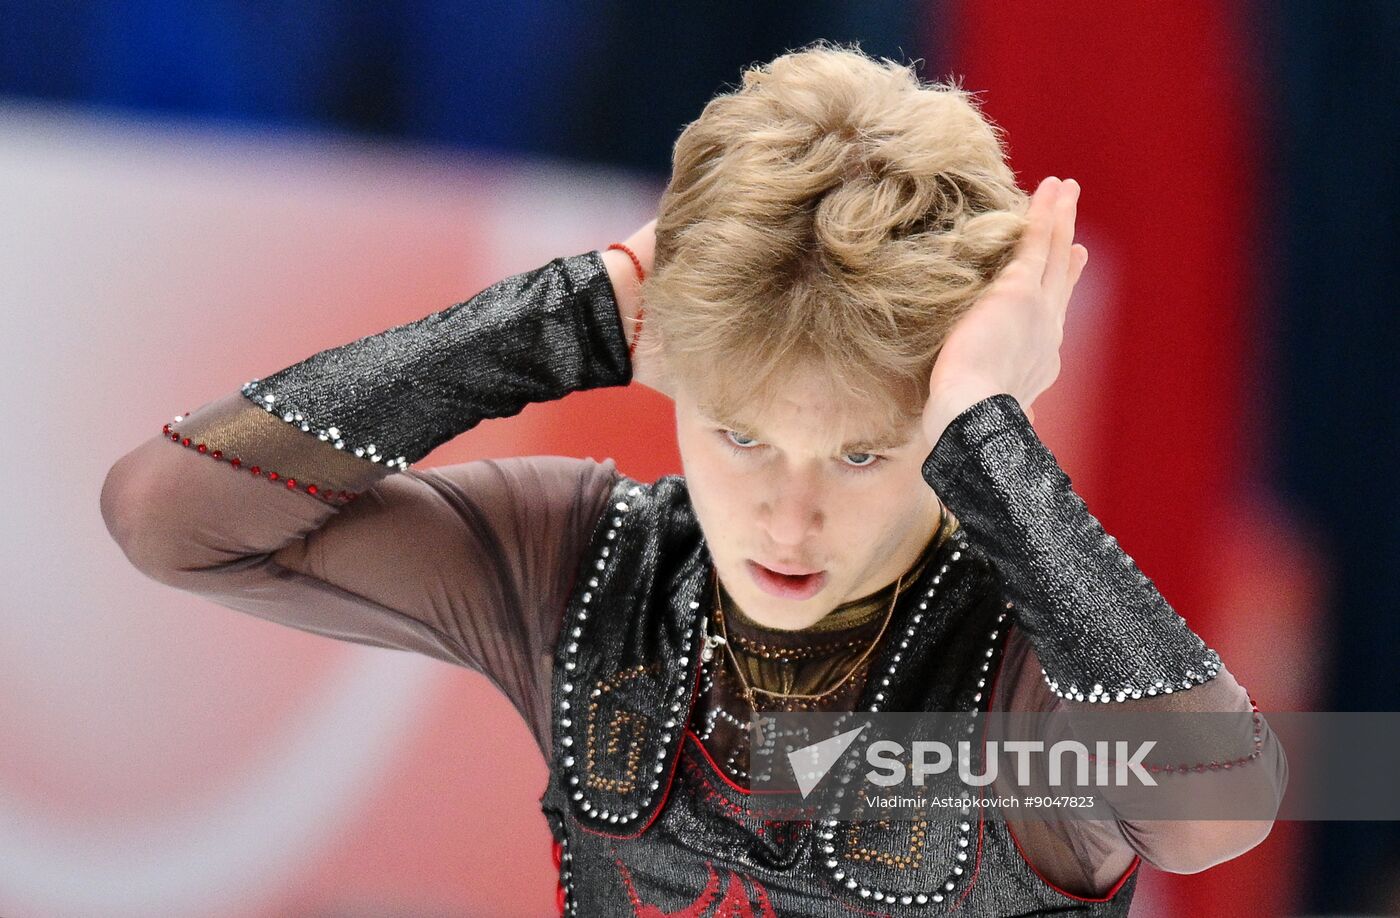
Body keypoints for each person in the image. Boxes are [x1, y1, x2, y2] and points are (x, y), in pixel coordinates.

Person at [101, 43, 1284, 917]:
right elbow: (170, 518)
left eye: (863, 453)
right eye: (742, 436)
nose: (789, 513)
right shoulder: (581, 564)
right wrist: (567, 313)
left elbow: (1216, 807)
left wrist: (987, 432)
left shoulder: (1024, 667)